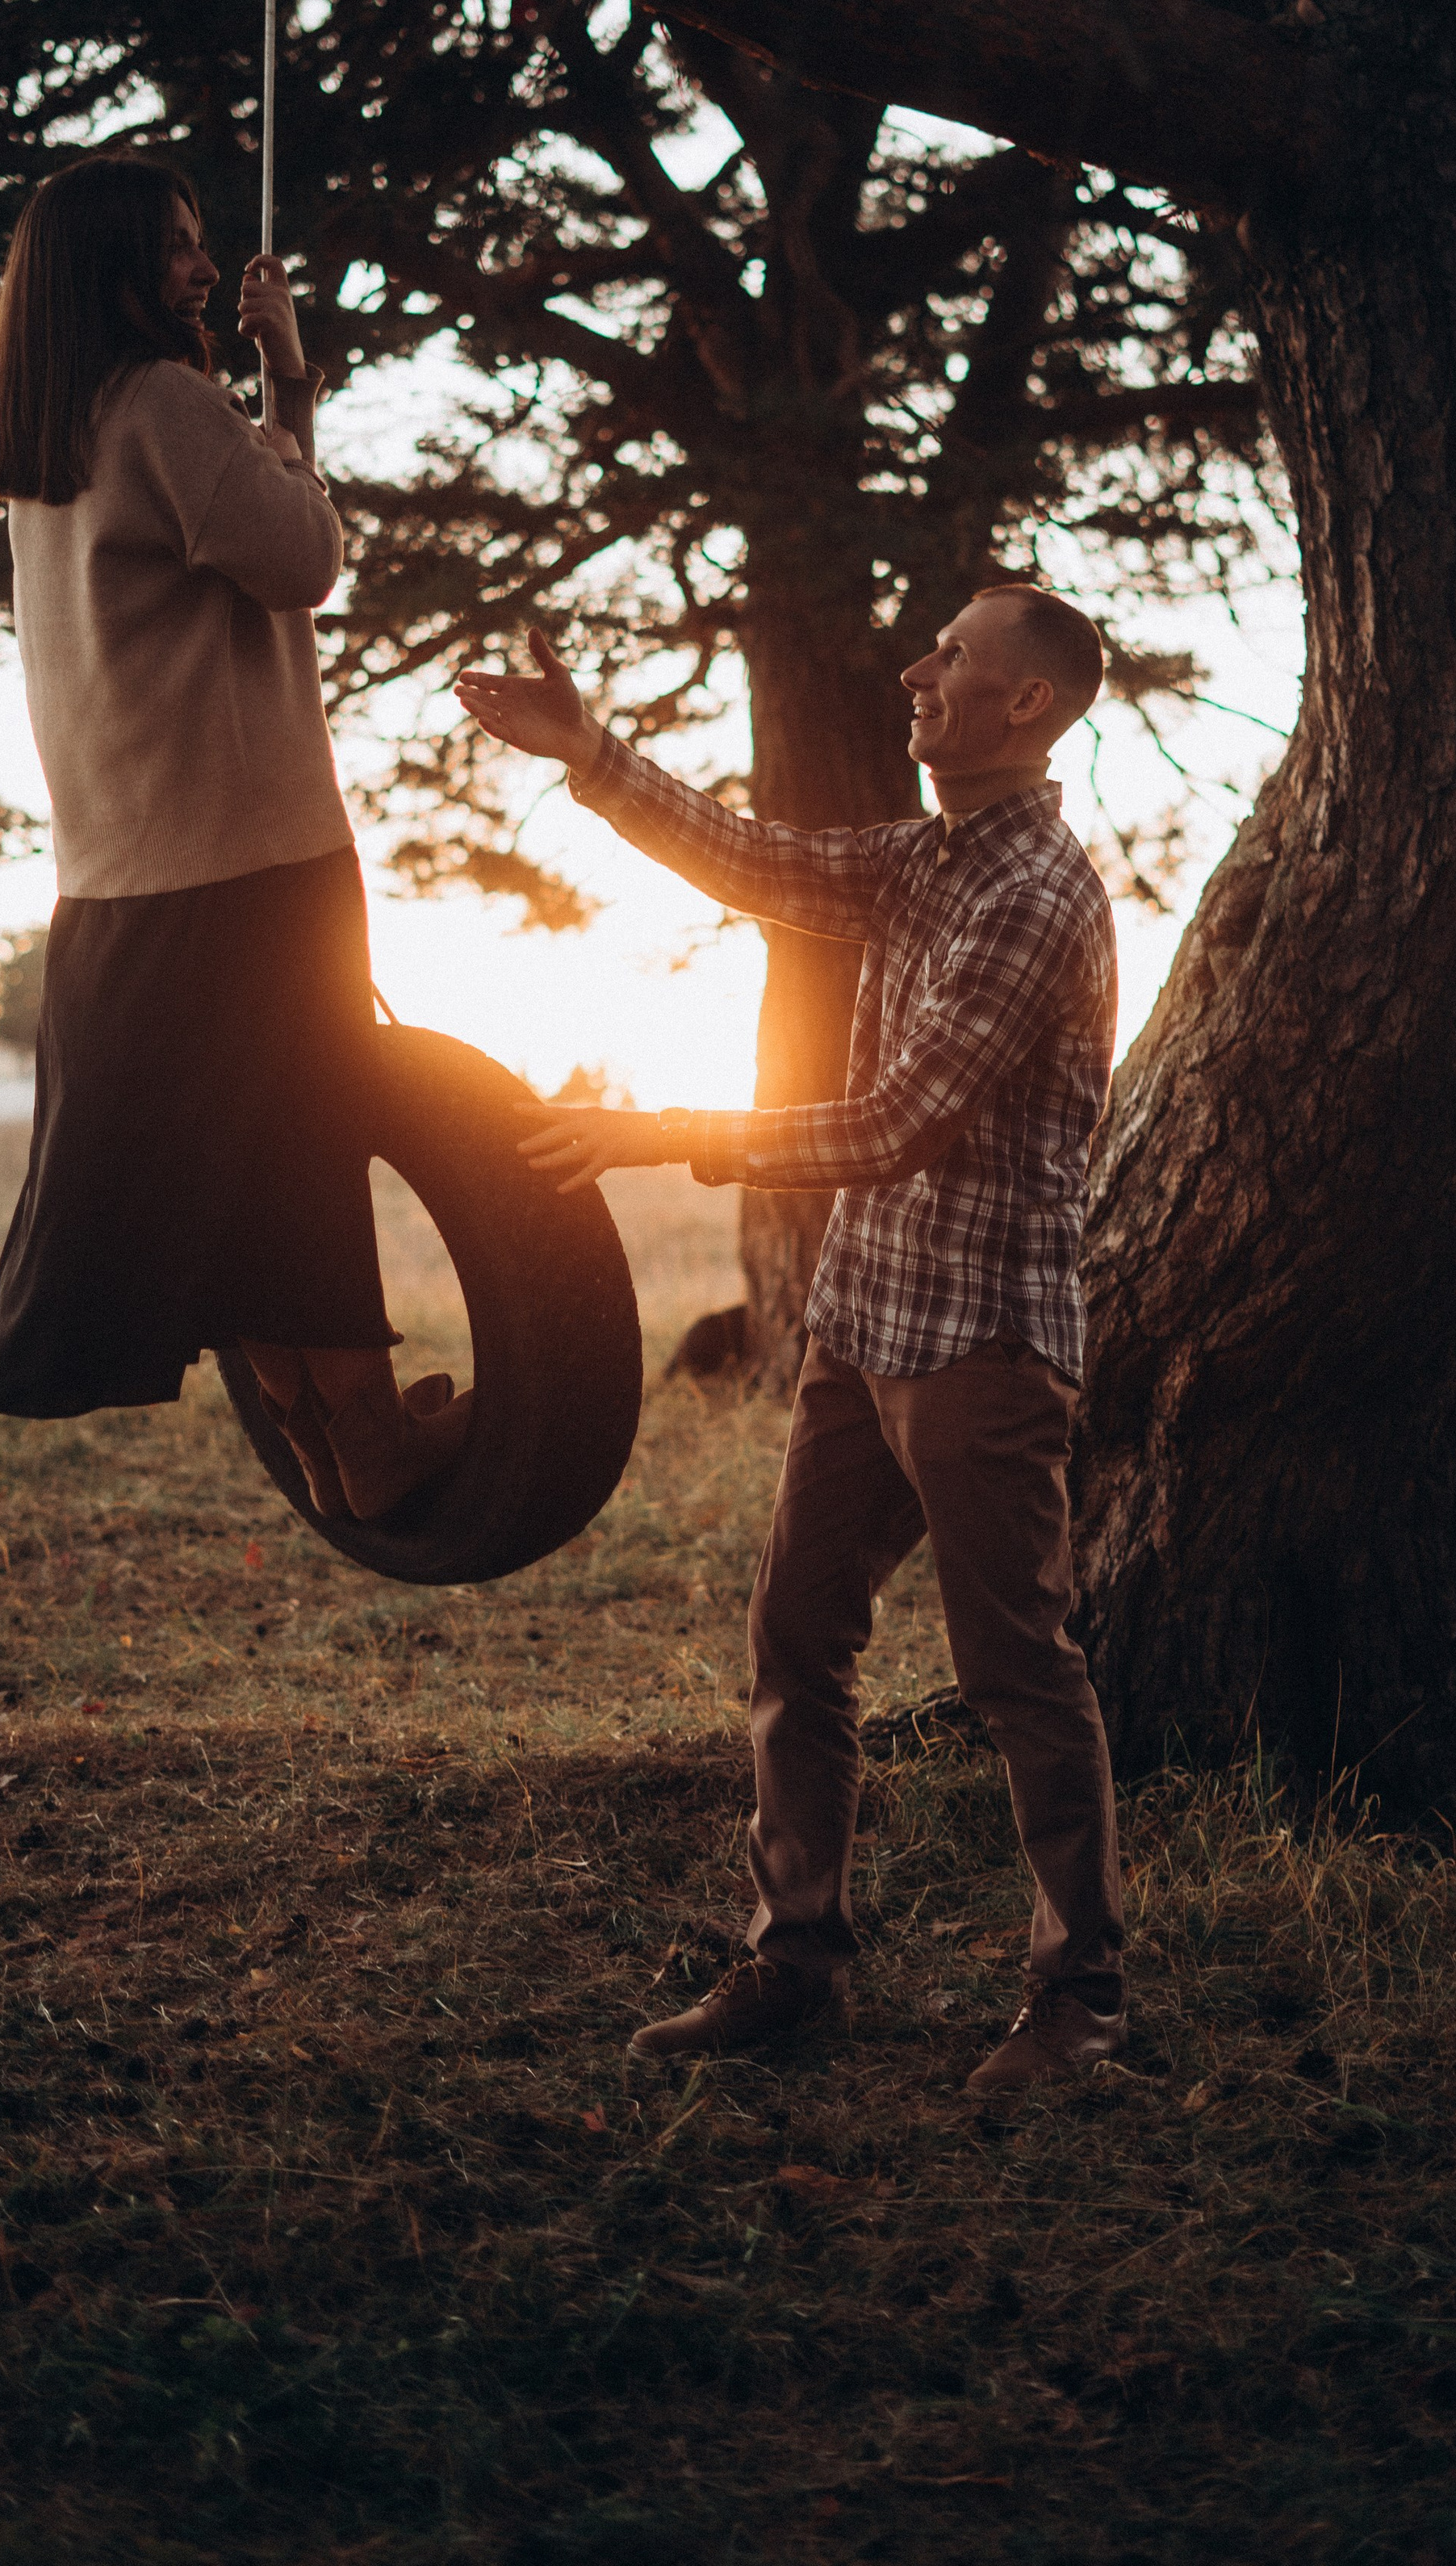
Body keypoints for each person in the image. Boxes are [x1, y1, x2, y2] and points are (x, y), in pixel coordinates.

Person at [456, 586, 1125, 2094]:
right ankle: (798, 1960)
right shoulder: (926, 858)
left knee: (1019, 1671)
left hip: (981, 1348)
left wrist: (659, 1130)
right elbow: (759, 861)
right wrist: (589, 752)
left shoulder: (1039, 894)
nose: (916, 666)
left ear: (1025, 704)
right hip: (863, 1326)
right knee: (796, 1640)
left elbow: (899, 1121)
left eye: (951, 653)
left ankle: (1080, 2007)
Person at [0, 154, 467, 1523]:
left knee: (236, 1180)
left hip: (118, 888)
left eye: (199, 242)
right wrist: (289, 393)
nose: (203, 269)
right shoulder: (167, 405)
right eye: (177, 248)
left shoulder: (49, 442)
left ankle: (328, 1446)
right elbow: (301, 558)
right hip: (254, 866)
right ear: (108, 273)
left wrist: (271, 403)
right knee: (299, 1159)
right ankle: (370, 1437)